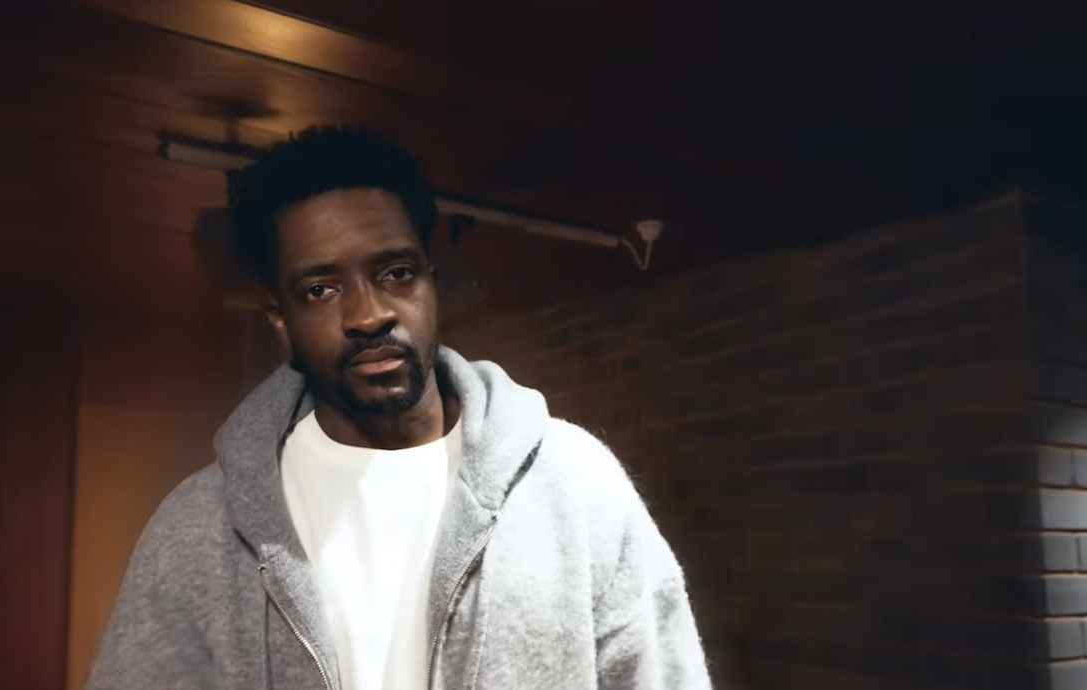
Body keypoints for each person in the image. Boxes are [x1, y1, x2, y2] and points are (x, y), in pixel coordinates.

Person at [87, 126, 712, 690]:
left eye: (395, 273)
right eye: (321, 288)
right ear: (280, 319)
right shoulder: (201, 525)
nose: (368, 314)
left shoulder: (575, 485)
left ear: (432, 282)